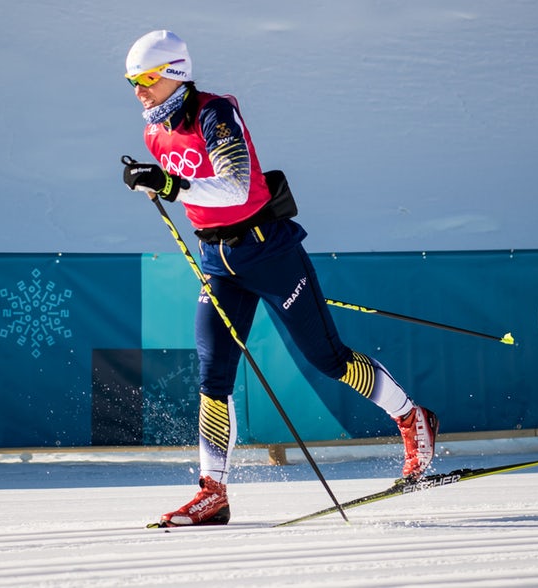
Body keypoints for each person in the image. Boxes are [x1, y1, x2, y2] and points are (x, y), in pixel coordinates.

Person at [121, 30, 437, 527]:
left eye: (146, 79)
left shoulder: (214, 113)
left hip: (269, 252)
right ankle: (213, 492)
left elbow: (235, 187)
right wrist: (157, 185)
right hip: (217, 261)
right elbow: (193, 193)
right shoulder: (153, 133)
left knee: (328, 359)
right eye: (132, 82)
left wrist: (169, 185)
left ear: (175, 74)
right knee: (212, 377)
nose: (139, 91)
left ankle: (411, 417)